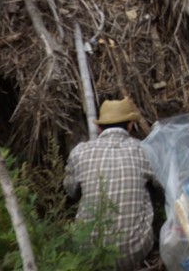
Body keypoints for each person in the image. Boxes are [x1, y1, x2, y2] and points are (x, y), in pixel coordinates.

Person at [64, 98, 156, 270]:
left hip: (86, 253)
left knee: (81, 186)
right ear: (129, 126)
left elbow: (70, 191)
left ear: (99, 128)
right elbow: (161, 183)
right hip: (132, 252)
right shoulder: (144, 150)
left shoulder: (80, 152)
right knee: (148, 185)